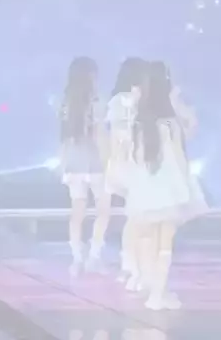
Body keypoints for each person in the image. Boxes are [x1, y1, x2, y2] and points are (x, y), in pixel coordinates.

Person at [125, 61, 207, 310]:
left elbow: (135, 157)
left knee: (150, 240)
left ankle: (155, 290)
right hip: (170, 188)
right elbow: (181, 157)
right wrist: (186, 187)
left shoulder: (139, 122)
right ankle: (158, 295)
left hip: (146, 188)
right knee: (164, 244)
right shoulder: (170, 123)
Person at [59, 57, 111, 276]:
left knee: (77, 211)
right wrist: (109, 161)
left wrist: (63, 164)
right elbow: (100, 135)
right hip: (95, 162)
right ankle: (94, 257)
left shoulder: (65, 103)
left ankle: (76, 259)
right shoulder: (96, 102)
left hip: (73, 163)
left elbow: (63, 138)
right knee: (103, 210)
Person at [105, 57, 148, 285]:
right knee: (136, 217)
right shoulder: (121, 101)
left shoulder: (137, 99)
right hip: (129, 164)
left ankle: (132, 266)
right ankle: (131, 266)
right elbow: (117, 136)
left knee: (137, 217)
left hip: (135, 163)